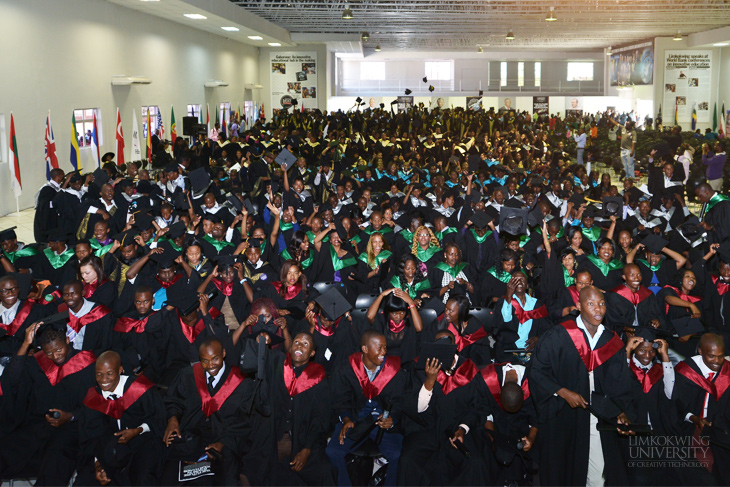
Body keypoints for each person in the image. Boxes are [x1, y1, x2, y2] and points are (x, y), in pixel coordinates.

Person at [528, 285, 634, 486]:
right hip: (564, 417)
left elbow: (620, 384)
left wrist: (620, 412)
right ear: (578, 306)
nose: (598, 309)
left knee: (597, 475)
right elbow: (536, 371)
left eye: (602, 304)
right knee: (565, 471)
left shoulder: (611, 341)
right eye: (591, 304)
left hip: (598, 418)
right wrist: (563, 392)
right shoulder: (558, 336)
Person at [162, 338, 254, 485]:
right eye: (204, 361)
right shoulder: (188, 376)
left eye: (215, 359)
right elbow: (174, 401)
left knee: (226, 479)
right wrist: (172, 419)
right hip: (190, 437)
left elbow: (244, 422)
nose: (210, 365)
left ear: (223, 353)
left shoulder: (242, 383)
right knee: (170, 478)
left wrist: (224, 443)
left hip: (224, 440)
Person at [327, 330, 407, 486]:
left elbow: (400, 401)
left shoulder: (394, 370)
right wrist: (346, 418)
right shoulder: (346, 368)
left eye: (385, 347)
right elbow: (340, 400)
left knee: (399, 455)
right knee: (333, 451)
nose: (384, 352)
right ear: (364, 349)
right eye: (379, 347)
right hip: (355, 420)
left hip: (382, 424)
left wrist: (392, 419)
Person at [76, 351, 165, 486]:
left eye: (109, 373)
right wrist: (99, 463)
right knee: (85, 481)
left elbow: (159, 418)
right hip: (107, 450)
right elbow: (90, 436)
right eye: (99, 374)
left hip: (142, 443)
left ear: (120, 370)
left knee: (143, 478)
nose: (104, 380)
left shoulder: (139, 389)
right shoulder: (93, 398)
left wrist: (139, 430)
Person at [672, 333, 730, 484]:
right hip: (689, 427)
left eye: (721, 356)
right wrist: (693, 417)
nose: (717, 361)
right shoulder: (685, 371)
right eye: (711, 356)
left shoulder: (727, 372)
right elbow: (675, 406)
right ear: (700, 351)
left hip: (720, 429)